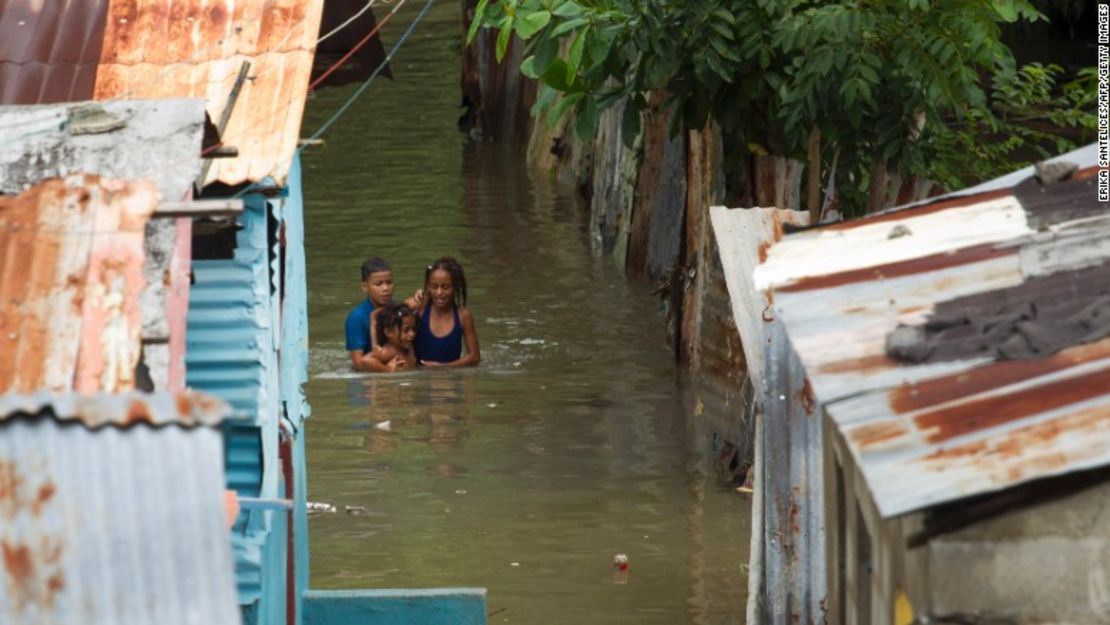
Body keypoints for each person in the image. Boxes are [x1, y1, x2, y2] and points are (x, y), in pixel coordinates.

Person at [346, 258, 419, 372]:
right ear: (365, 287)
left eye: (389, 283)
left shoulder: (398, 310)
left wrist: (421, 295)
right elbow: (358, 363)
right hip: (373, 370)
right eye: (378, 284)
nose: (385, 288)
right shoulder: (357, 318)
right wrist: (386, 370)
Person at [414, 257, 480, 367]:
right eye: (434, 287)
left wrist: (443, 368)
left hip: (451, 379)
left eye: (446, 287)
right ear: (428, 287)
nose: (439, 292)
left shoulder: (463, 315)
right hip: (420, 379)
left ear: (455, 287)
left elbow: (475, 357)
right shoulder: (420, 309)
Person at [372, 302, 418, 372]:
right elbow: (365, 361)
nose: (412, 334)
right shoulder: (390, 351)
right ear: (388, 332)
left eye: (413, 329)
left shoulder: (408, 347)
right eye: (406, 330)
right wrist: (386, 369)